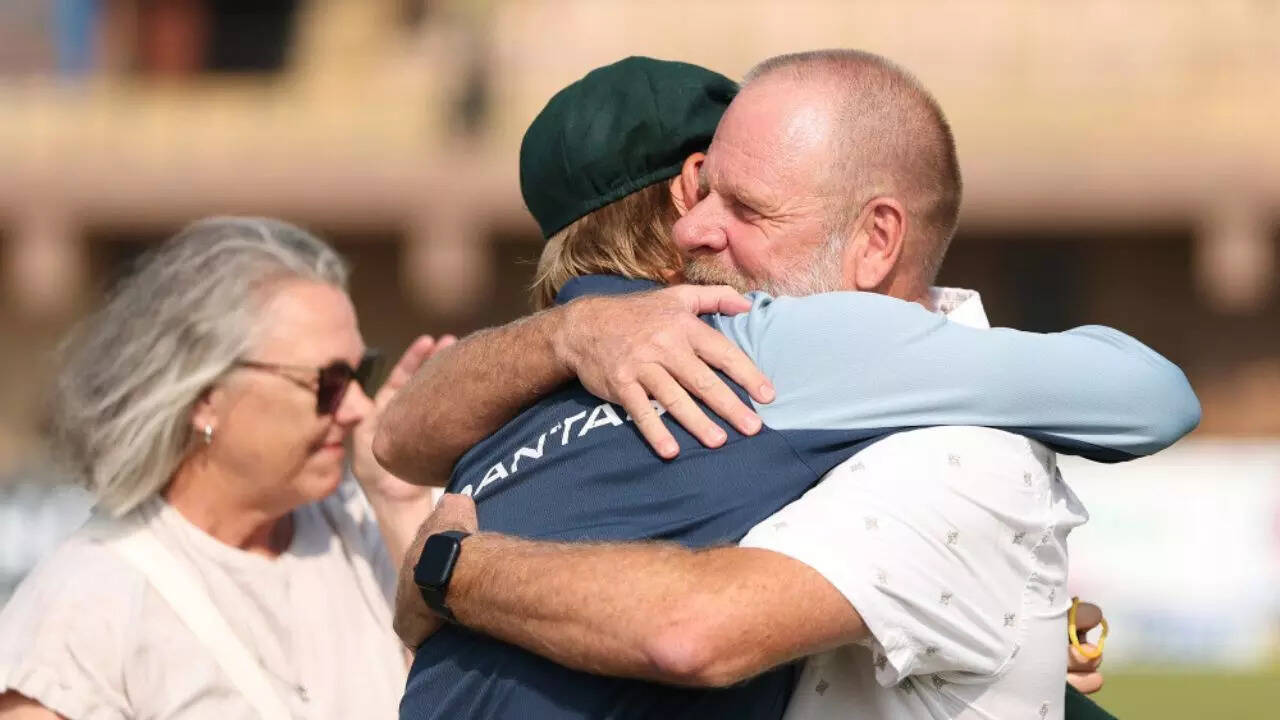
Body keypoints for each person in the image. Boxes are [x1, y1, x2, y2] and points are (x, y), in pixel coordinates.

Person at [379, 55, 1194, 719]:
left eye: (741, 204)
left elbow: (397, 437)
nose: (700, 227)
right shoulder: (765, 341)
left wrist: (448, 569)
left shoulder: (497, 414)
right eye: (703, 193)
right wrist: (453, 569)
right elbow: (693, 631)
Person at [0, 217, 453, 720]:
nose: (357, 409)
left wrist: (400, 503)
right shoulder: (86, 603)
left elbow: (470, 700)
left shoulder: (373, 536)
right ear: (205, 397)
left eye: (360, 374)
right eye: (328, 382)